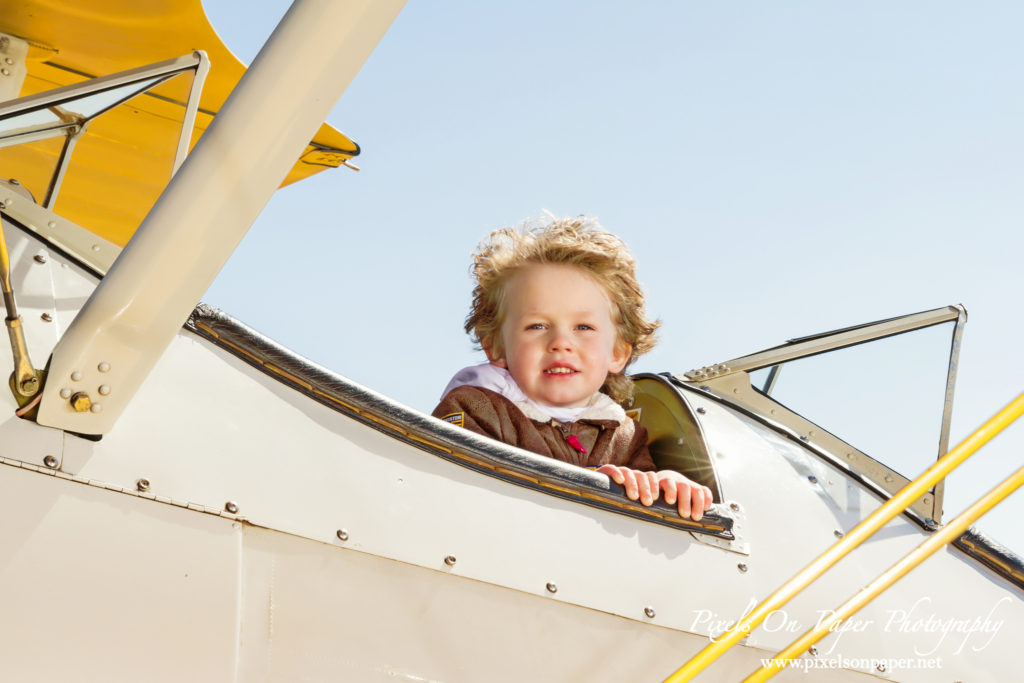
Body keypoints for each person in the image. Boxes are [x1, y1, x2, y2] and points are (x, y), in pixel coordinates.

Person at [433, 216, 713, 520]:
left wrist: (665, 485)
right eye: (537, 325)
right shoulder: (475, 407)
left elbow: (642, 513)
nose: (560, 342)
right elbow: (458, 492)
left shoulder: (623, 435)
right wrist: (589, 486)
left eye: (583, 326)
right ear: (497, 348)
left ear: (617, 353)